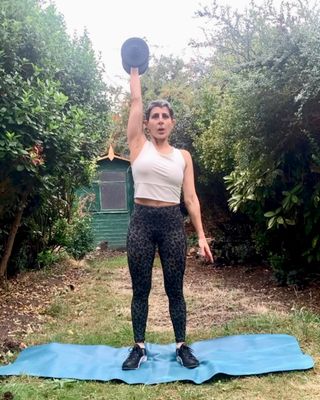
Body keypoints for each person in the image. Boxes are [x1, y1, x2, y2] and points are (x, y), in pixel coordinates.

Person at [122, 67, 213, 371]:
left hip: (172, 223)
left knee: (175, 289)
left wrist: (200, 236)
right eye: (155, 117)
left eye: (165, 116)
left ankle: (181, 345)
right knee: (140, 289)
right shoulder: (138, 145)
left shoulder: (183, 157)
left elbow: (190, 199)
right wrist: (134, 69)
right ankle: (139, 347)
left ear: (172, 122)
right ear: (146, 124)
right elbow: (136, 101)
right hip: (142, 224)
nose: (160, 121)